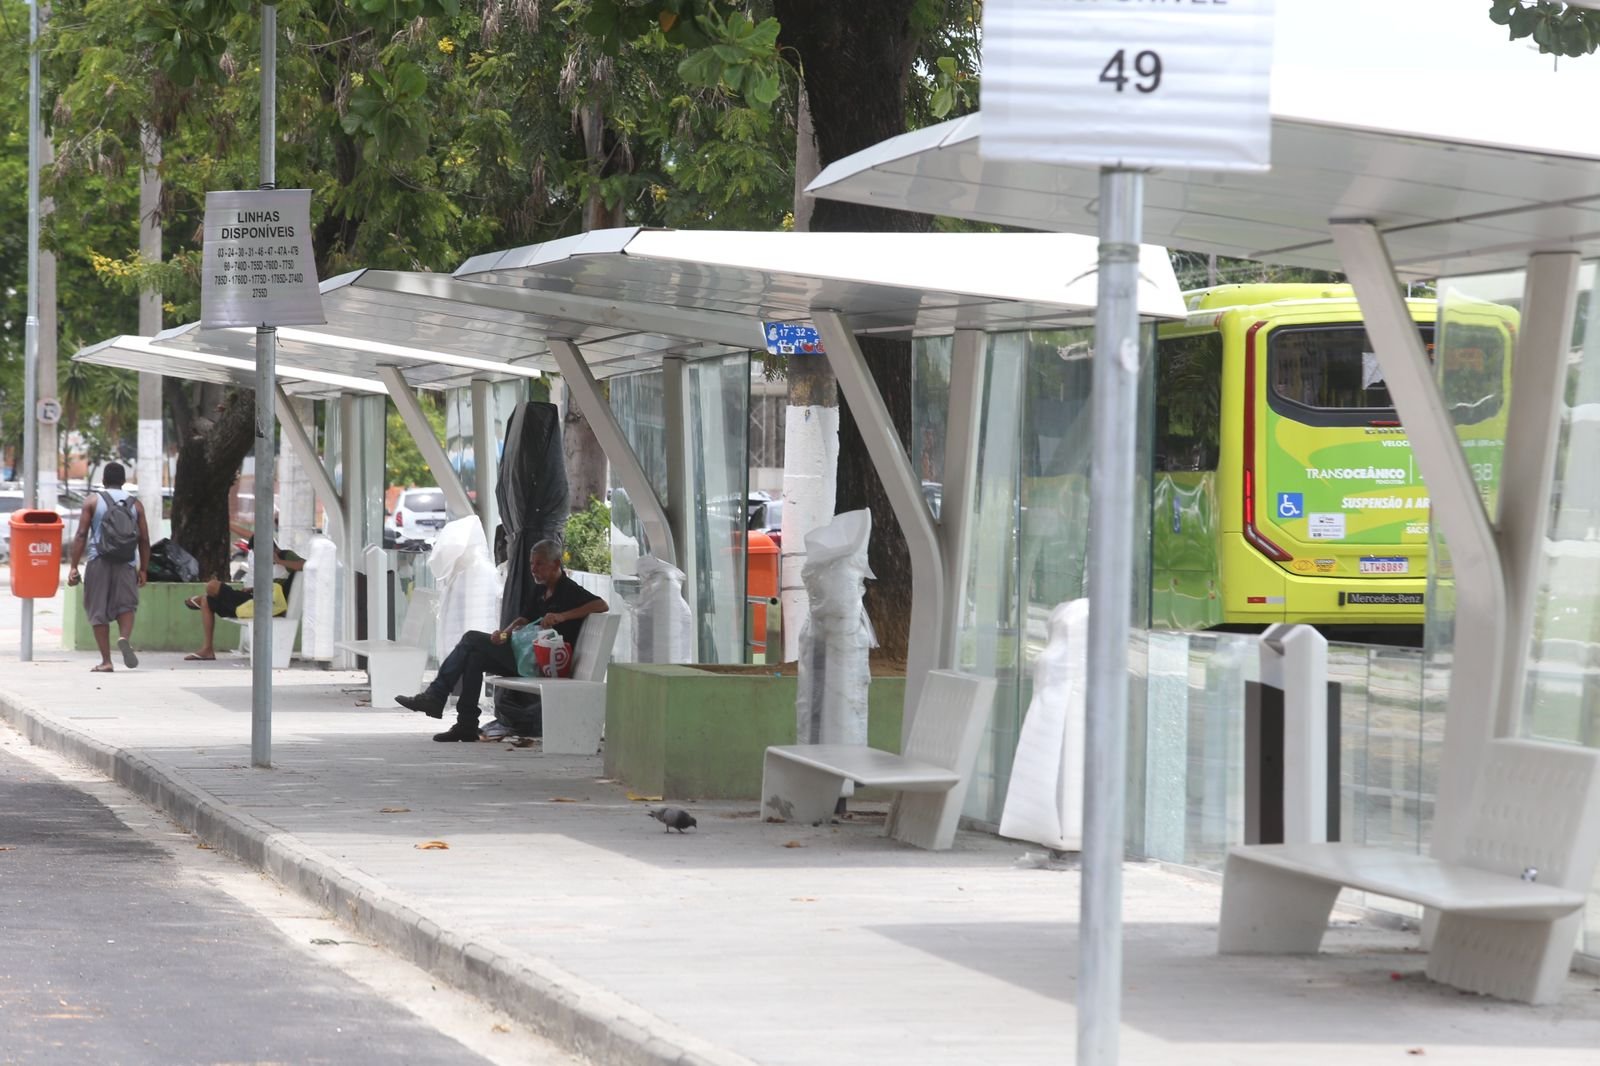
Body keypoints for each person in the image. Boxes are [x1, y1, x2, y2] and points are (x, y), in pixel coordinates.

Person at [397, 538, 608, 742]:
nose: (533, 569)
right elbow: (523, 620)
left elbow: (601, 605)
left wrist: (562, 616)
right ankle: (466, 725)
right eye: (531, 563)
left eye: (539, 564)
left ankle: (436, 696)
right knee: (475, 657)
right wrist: (504, 634)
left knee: (471, 638)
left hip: (545, 664)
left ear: (556, 564)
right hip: (527, 656)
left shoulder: (568, 590)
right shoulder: (540, 589)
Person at [66, 462, 152, 673]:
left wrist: (74, 566)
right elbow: (145, 539)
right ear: (124, 481)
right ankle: (124, 638)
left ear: (103, 481)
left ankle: (106, 661)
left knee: (97, 610)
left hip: (99, 561)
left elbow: (81, 535)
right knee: (126, 605)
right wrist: (143, 569)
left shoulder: (93, 501)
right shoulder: (136, 505)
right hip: (126, 563)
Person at [182, 544, 306, 661]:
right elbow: (271, 587)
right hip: (252, 602)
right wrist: (253, 589)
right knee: (207, 601)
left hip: (264, 606)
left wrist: (279, 561)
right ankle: (207, 649)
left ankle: (198, 599)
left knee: (212, 586)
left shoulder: (285, 556)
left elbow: (304, 564)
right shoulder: (270, 565)